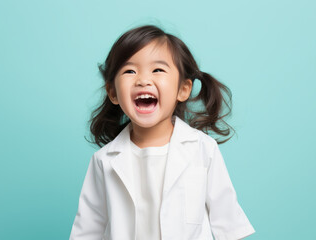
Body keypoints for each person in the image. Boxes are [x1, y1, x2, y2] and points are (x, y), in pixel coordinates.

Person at [69, 24, 256, 240]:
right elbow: (87, 231)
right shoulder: (103, 161)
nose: (142, 80)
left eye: (158, 70)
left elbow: (229, 224)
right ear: (113, 93)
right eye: (130, 71)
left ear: (183, 89)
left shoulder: (203, 149)